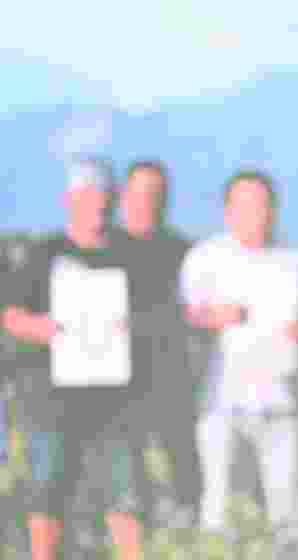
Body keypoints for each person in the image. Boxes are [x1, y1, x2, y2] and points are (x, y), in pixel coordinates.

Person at [2, 157, 145, 560]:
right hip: (52, 395)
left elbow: (153, 316)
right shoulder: (43, 253)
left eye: (103, 195)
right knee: (48, 487)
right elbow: (11, 315)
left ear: (114, 200)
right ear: (68, 200)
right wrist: (39, 328)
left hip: (115, 396)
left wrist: (130, 328)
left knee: (125, 489)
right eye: (85, 195)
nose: (96, 204)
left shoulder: (130, 254)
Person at [179, 170, 298, 556]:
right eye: (245, 204)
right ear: (228, 211)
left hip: (281, 399)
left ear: (274, 210)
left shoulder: (293, 260)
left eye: (263, 204)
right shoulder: (205, 257)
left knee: (286, 507)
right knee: (218, 504)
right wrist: (212, 317)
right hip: (220, 401)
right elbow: (184, 315)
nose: (256, 213)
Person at [115, 160, 201, 532]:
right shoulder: (104, 247)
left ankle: (186, 525)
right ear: (123, 196)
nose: (147, 202)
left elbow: (196, 312)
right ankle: (131, 528)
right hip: (116, 378)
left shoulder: (185, 251)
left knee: (181, 454)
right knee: (126, 464)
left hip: (170, 374)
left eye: (157, 194)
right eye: (140, 193)